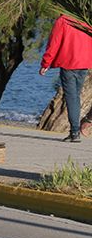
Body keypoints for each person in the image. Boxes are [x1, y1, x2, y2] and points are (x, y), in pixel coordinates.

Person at [39, 14, 92, 142]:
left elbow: (54, 42)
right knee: (75, 96)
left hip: (69, 62)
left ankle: (74, 132)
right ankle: (76, 129)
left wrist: (46, 63)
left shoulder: (63, 20)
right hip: (84, 63)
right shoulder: (85, 19)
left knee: (72, 97)